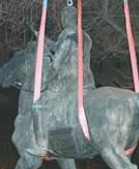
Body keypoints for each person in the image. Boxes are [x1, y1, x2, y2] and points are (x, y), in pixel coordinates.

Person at [27, 4, 96, 157]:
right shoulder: (85, 36)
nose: (62, 20)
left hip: (69, 79)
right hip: (87, 79)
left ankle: (41, 145)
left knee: (38, 107)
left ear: (65, 18)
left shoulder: (68, 33)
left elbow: (59, 59)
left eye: (63, 17)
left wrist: (49, 70)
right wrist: (43, 39)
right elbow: (59, 46)